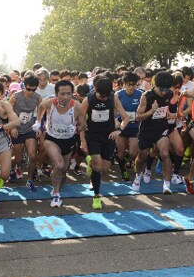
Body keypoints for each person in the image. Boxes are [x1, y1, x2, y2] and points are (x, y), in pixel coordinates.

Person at [34, 80, 86, 207]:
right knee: (59, 164)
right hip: (52, 139)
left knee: (63, 170)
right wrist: (38, 121)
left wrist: (78, 131)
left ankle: (57, 187)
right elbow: (40, 106)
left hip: (68, 141)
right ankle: (56, 195)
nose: (65, 97)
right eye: (62, 94)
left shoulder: (77, 107)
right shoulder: (50, 103)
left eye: (68, 94)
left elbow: (82, 124)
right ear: (57, 94)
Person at [82, 77, 129, 209]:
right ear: (95, 90)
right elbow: (80, 121)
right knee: (98, 167)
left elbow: (125, 118)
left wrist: (119, 130)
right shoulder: (88, 99)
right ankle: (96, 196)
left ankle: (91, 162)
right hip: (93, 136)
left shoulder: (113, 98)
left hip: (108, 136)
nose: (103, 98)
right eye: (101, 96)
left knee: (104, 169)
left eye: (105, 96)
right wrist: (83, 140)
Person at [133, 71, 175, 195]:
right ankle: (137, 177)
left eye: (166, 89)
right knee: (142, 157)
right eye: (161, 89)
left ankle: (166, 184)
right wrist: (152, 110)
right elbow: (138, 117)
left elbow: (169, 109)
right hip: (146, 130)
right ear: (154, 85)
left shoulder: (169, 93)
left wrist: (171, 114)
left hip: (161, 128)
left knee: (165, 153)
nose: (164, 92)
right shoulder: (146, 96)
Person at [9, 71, 42, 191]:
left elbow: (40, 110)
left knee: (32, 156)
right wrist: (12, 126)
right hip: (17, 130)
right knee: (18, 159)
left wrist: (38, 124)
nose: (31, 92)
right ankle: (12, 167)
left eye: (34, 89)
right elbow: (8, 111)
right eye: (29, 89)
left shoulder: (38, 97)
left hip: (29, 129)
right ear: (24, 85)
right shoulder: (16, 96)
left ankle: (29, 180)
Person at [115, 72, 142, 181]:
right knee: (120, 153)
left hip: (135, 128)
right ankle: (123, 172)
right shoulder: (118, 95)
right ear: (124, 84)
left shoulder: (140, 94)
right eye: (129, 84)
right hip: (121, 127)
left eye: (133, 84)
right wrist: (116, 122)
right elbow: (113, 111)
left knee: (132, 152)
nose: (131, 87)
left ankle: (129, 159)